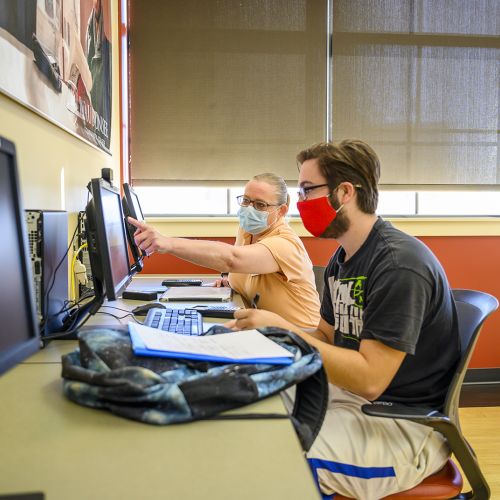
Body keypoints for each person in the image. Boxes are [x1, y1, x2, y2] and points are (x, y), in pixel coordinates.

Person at [226, 140, 460, 499]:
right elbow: (325, 334)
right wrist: (264, 336)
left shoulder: (399, 265)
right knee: (243, 407)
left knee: (268, 458)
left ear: (345, 192)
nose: (301, 204)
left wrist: (282, 328)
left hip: (401, 427)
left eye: (307, 191)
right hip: (352, 400)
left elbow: (369, 379)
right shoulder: (344, 258)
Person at [128, 173, 321, 329]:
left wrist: (167, 243)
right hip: (266, 330)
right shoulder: (247, 231)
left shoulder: (285, 243)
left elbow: (232, 260)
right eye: (246, 200)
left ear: (282, 210)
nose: (249, 209)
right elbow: (244, 268)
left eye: (260, 205)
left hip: (302, 337)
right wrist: (232, 281)